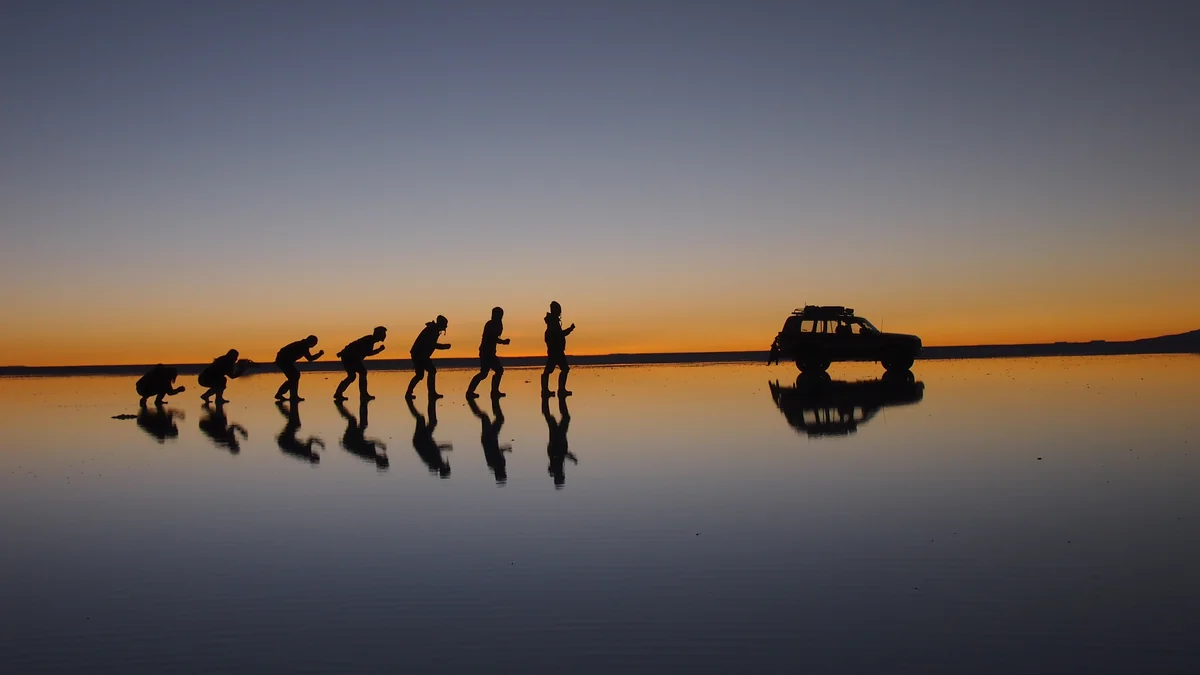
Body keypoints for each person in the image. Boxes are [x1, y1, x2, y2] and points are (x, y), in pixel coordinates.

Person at [466, 307, 510, 399]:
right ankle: (472, 392)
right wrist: (503, 342)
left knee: (491, 372)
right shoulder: (490, 324)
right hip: (486, 352)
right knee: (487, 373)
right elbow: (491, 338)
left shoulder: (498, 324)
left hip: (490, 352)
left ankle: (493, 391)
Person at [334, 327, 387, 402]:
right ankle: (363, 395)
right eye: (383, 334)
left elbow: (355, 344)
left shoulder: (370, 340)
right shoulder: (369, 340)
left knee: (352, 376)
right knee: (362, 372)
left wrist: (342, 352)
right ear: (379, 334)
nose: (385, 336)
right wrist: (379, 350)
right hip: (350, 357)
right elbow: (368, 352)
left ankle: (339, 393)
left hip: (349, 357)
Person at [468, 395, 511, 484]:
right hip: (492, 438)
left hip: (488, 438)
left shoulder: (494, 464)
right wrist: (506, 449)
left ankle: (471, 400)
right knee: (497, 418)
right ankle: (494, 400)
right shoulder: (500, 464)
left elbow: (494, 450)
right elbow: (498, 451)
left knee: (485, 417)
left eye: (503, 473)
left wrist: (504, 449)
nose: (505, 471)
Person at [406, 315, 450, 400]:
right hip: (419, 354)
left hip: (421, 354)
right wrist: (444, 347)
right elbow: (431, 344)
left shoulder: (433, 329)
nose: (446, 326)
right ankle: (431, 393)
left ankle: (411, 393)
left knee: (421, 375)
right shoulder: (432, 330)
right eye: (445, 324)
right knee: (428, 372)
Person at [407, 397, 451, 478]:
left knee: (422, 419)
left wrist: (445, 446)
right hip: (424, 439)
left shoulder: (435, 462)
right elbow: (436, 449)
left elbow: (434, 449)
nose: (446, 463)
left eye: (446, 465)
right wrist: (445, 447)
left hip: (420, 440)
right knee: (429, 421)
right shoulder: (437, 462)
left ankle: (410, 401)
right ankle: (431, 402)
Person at [274, 335, 324, 401]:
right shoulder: (303, 346)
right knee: (294, 376)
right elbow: (310, 358)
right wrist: (319, 354)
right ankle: (290, 395)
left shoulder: (303, 344)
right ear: (310, 341)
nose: (314, 345)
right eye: (314, 343)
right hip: (283, 360)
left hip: (284, 360)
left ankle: (288, 395)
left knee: (294, 376)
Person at [541, 301, 575, 397]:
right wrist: (570, 329)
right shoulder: (553, 322)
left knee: (552, 370)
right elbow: (559, 335)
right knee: (562, 369)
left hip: (556, 350)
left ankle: (552, 390)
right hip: (556, 351)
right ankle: (556, 390)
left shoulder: (553, 321)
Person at [543, 393, 576, 488]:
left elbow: (561, 455)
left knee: (553, 418)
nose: (563, 474)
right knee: (558, 418)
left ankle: (547, 400)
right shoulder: (557, 467)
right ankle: (555, 399)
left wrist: (571, 457)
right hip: (559, 438)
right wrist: (572, 457)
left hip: (557, 439)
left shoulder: (556, 467)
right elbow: (563, 454)